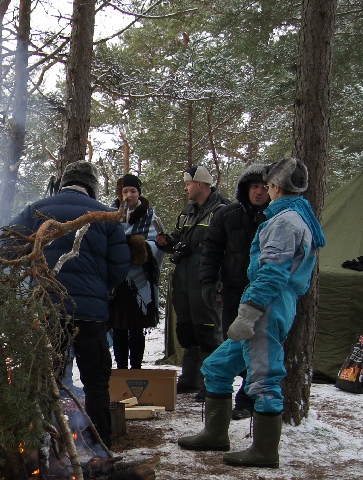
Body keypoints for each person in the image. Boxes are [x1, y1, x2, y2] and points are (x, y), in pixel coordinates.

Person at [177, 157, 325, 468]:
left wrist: (247, 314)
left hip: (267, 307)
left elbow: (271, 274)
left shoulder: (284, 222)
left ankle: (264, 451)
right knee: (217, 366)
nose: (264, 189)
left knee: (264, 376)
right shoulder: (294, 215)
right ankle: (215, 434)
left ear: (275, 187)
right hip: (267, 302)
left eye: (268, 185)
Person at [13, 160, 130, 447]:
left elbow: (9, 248)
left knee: (45, 381)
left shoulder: (35, 210)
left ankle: (42, 445)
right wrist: (100, 290)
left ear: (63, 182)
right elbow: (120, 266)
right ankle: (100, 445)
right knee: (96, 381)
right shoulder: (106, 216)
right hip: (90, 315)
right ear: (91, 186)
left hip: (48, 310)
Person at [199, 163, 270, 419]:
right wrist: (208, 282)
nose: (259, 192)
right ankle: (220, 392)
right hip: (233, 289)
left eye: (264, 187)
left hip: (264, 294)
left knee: (257, 346)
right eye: (254, 187)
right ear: (245, 188)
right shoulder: (227, 215)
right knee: (232, 341)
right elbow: (211, 251)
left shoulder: (275, 217)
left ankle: (246, 400)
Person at [156, 165, 229, 396]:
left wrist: (220, 282)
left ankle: (211, 383)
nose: (185, 188)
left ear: (200, 184)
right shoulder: (187, 211)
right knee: (187, 331)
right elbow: (178, 239)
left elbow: (228, 249)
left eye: (187, 184)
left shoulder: (223, 210)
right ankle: (190, 378)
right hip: (184, 281)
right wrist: (166, 242)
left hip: (206, 281)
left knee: (208, 331)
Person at [108, 174, 164, 369]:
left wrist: (141, 248)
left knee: (136, 328)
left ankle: (136, 369)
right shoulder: (111, 215)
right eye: (125, 191)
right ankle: (122, 369)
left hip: (140, 282)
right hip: (117, 281)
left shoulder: (150, 215)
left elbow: (158, 245)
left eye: (133, 191)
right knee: (118, 328)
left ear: (139, 193)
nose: (129, 195)